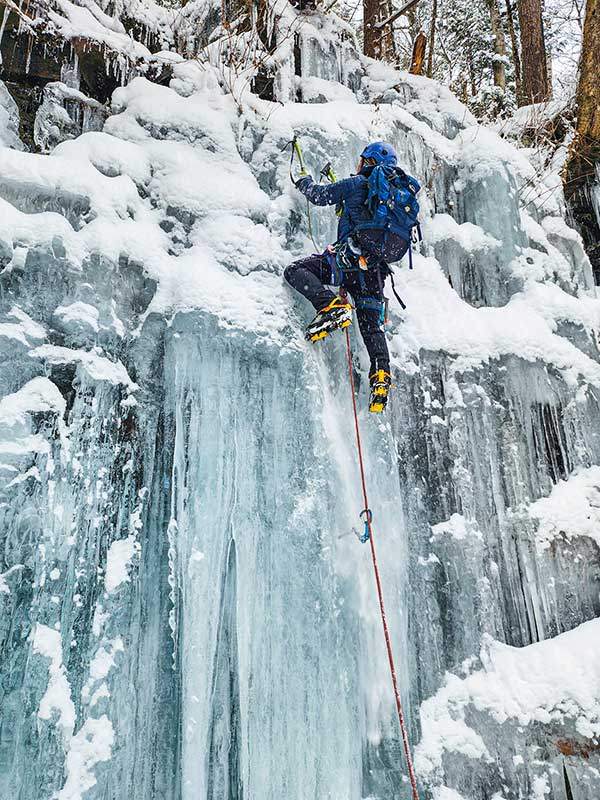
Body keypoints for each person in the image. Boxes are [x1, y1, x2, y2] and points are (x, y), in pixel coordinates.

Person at [284, 141, 415, 412]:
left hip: (346, 263)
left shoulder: (356, 184)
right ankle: (381, 375)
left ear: (367, 162)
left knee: (296, 270)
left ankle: (330, 307)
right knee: (371, 326)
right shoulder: (390, 197)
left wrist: (303, 181)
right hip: (375, 274)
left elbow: (320, 196)